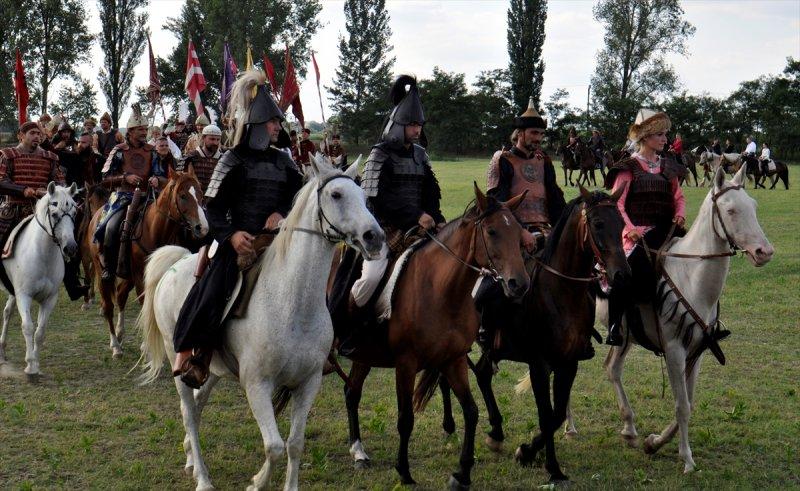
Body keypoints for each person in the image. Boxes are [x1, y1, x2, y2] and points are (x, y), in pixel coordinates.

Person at [171, 70, 303, 388]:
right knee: (214, 288)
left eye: (277, 123)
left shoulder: (284, 162)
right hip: (240, 242)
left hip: (278, 241)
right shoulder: (231, 159)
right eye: (272, 122)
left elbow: (300, 196)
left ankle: (317, 346)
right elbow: (213, 208)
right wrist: (231, 235)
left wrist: (281, 212)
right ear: (258, 124)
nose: (277, 127)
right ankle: (196, 354)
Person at [480, 97, 576, 356]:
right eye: (534, 133)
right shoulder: (503, 160)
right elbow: (497, 204)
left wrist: (566, 227)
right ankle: (491, 334)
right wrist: (520, 232)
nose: (538, 138)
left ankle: (579, 333)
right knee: (495, 285)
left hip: (545, 230)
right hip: (512, 233)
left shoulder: (543, 161)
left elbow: (555, 199)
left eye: (542, 134)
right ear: (520, 133)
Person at [349, 75, 445, 313]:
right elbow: (379, 198)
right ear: (399, 125)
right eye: (412, 125)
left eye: (419, 125)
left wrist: (436, 216)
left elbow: (430, 191)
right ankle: (349, 320)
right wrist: (416, 215)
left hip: (418, 225)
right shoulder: (380, 154)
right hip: (383, 228)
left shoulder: (420, 155)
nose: (417, 129)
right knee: (372, 277)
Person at [604, 109, 687, 346]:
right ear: (646, 137)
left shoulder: (668, 167)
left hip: (666, 230)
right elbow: (617, 204)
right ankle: (614, 325)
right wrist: (629, 229)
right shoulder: (628, 168)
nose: (665, 139)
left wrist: (680, 213)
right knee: (624, 274)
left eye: (665, 135)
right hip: (636, 235)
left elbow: (678, 197)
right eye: (660, 135)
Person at [0, 121, 89, 300]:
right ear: (21, 135)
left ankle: (73, 285)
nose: (37, 136)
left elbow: (60, 182)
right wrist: (24, 190)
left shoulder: (50, 157)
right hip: (14, 209)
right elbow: (1, 180)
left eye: (39, 134)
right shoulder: (7, 155)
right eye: (32, 133)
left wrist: (56, 192)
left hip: (46, 211)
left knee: (68, 240)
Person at [94, 105, 167, 281]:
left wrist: (157, 179)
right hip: (122, 197)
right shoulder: (119, 150)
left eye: (146, 129)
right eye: (140, 129)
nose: (144, 132)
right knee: (111, 228)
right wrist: (125, 177)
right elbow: (105, 178)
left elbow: (161, 175)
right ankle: (109, 268)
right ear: (131, 131)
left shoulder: (152, 151)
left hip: (149, 197)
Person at [180, 124, 223, 193]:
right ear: (203, 138)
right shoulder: (189, 157)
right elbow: (179, 181)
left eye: (218, 139)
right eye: (212, 139)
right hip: (194, 200)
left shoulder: (223, 159)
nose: (215, 142)